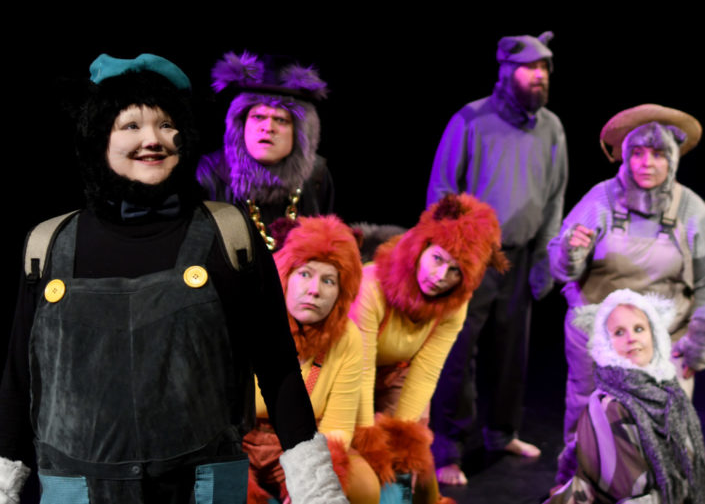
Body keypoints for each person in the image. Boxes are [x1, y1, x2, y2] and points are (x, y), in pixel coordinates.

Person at [0, 54, 347, 504]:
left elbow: (279, 370)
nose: (153, 139)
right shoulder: (49, 245)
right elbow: (19, 381)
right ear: (99, 137)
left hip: (200, 490)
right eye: (131, 125)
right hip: (77, 490)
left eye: (166, 124)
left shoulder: (229, 235)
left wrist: (317, 491)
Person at [427, 31, 568, 484]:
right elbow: (443, 189)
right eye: (530, 68)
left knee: (513, 352)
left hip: (521, 254)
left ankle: (502, 432)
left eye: (544, 68)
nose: (539, 76)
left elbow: (555, 196)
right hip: (472, 255)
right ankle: (449, 449)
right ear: (507, 71)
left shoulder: (551, 127)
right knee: (459, 351)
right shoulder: (471, 119)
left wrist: (545, 255)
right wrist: (448, 255)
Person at [548, 104, 705, 483]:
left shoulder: (691, 207)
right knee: (588, 417)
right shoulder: (601, 198)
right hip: (598, 333)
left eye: (658, 154)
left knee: (666, 429)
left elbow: (704, 285)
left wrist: (697, 346)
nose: (646, 163)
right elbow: (560, 267)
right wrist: (572, 251)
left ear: (672, 160)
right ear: (626, 157)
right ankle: (577, 487)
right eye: (638, 153)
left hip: (666, 339)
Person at [349, 193, 507, 503]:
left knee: (410, 457)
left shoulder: (454, 303)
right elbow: (359, 369)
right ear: (421, 247)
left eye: (455, 270)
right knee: (361, 461)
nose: (440, 277)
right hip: (348, 374)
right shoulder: (372, 285)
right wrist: (369, 438)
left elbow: (426, 371)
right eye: (437, 259)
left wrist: (403, 436)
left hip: (398, 374)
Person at [244, 215, 380, 504]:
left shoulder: (347, 337)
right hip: (241, 440)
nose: (315, 290)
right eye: (305, 274)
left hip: (304, 441)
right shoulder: (250, 320)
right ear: (285, 276)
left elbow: (338, 427)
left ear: (341, 292)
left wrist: (311, 482)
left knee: (365, 487)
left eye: (328, 280)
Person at [546, 288, 705, 503]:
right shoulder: (609, 407)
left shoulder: (669, 391)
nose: (631, 338)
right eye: (619, 332)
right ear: (605, 343)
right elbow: (628, 491)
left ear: (655, 335)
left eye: (639, 329)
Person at [197, 50, 334, 250]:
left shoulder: (317, 176)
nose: (268, 127)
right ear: (240, 125)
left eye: (281, 120)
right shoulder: (209, 173)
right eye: (258, 117)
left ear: (300, 133)